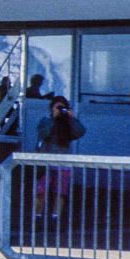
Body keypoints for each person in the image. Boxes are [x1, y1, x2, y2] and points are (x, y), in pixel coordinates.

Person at [33, 96, 86, 228]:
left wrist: (72, 118)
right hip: (46, 160)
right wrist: (54, 118)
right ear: (51, 108)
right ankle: (37, 217)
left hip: (63, 161)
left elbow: (80, 132)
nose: (60, 110)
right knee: (41, 191)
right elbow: (43, 133)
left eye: (63, 108)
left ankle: (55, 218)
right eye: (57, 107)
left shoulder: (68, 124)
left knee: (60, 192)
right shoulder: (46, 121)